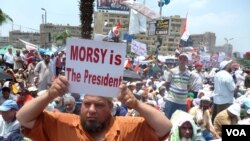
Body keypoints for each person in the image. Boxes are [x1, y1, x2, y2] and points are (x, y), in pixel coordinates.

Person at [16, 76, 172, 141]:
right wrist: (50, 95)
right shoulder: (62, 124)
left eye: (98, 105)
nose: (91, 109)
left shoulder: (128, 128)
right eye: (86, 103)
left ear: (110, 107)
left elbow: (165, 127)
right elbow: (23, 117)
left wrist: (136, 104)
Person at [164, 53, 192, 118]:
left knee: (179, 121)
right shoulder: (172, 71)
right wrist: (172, 93)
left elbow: (189, 87)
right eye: (181, 59)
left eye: (184, 60)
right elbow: (167, 84)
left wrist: (182, 93)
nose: (182, 61)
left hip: (182, 102)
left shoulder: (189, 74)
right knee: (167, 119)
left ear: (187, 61)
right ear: (178, 60)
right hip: (171, 100)